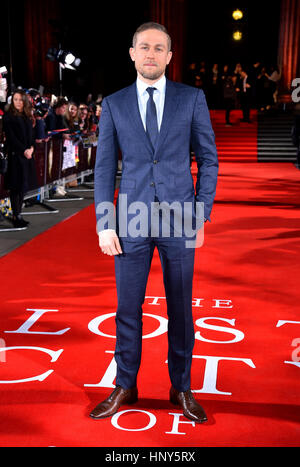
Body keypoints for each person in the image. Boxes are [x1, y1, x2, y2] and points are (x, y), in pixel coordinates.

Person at [90, 22, 218, 424]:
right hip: (130, 218)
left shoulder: (191, 99)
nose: (151, 54)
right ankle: (125, 384)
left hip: (180, 218)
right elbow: (105, 167)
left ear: (169, 55)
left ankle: (181, 387)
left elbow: (209, 159)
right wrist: (103, 222)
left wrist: (200, 212)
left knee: (181, 308)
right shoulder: (113, 104)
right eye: (144, 47)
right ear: (132, 53)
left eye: (159, 48)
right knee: (128, 307)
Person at [2, 90, 37, 228]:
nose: (17, 102)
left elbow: (32, 136)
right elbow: (11, 138)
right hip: (16, 156)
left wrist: (32, 148)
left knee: (23, 187)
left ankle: (19, 214)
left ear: (24, 102)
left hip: (27, 155)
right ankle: (16, 216)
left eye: (20, 99)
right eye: (15, 99)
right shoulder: (8, 117)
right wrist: (24, 150)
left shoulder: (27, 117)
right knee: (15, 187)